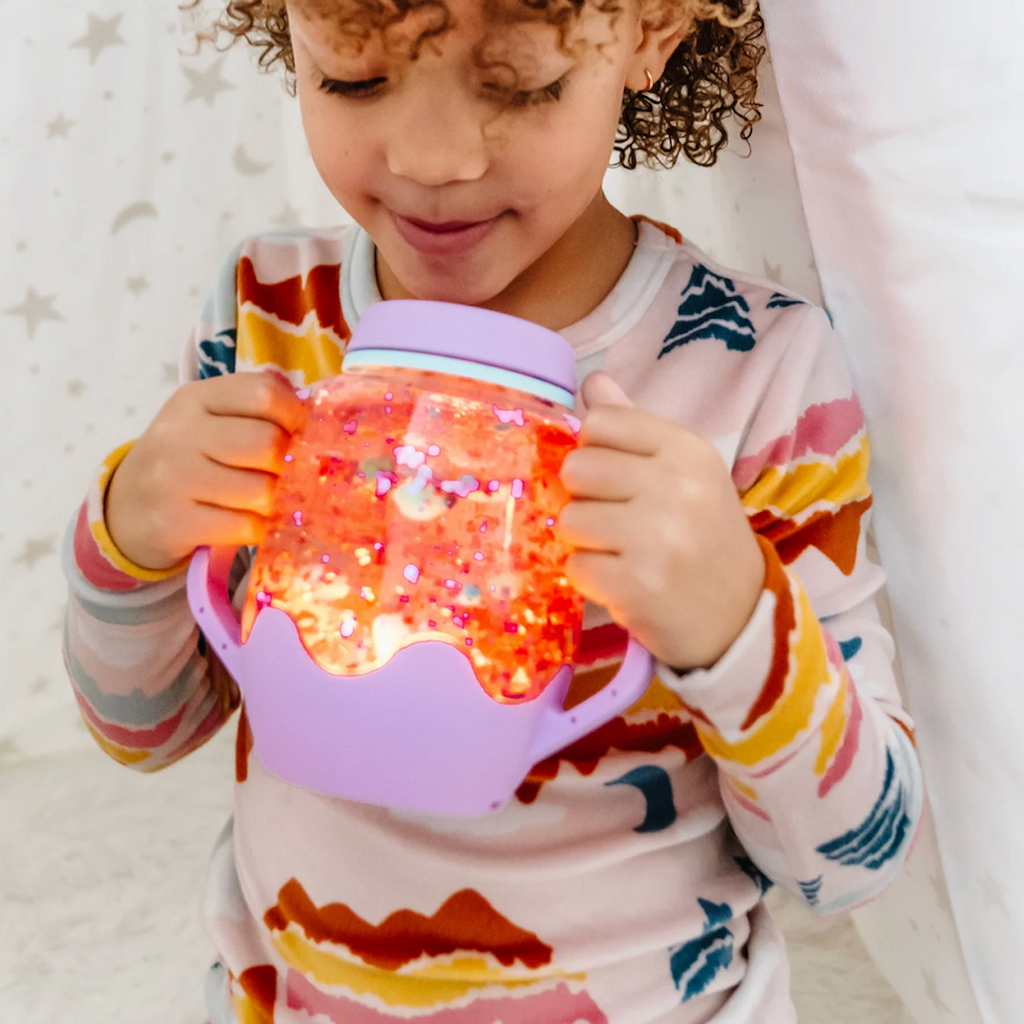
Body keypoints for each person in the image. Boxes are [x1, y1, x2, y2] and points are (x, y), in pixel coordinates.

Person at [60, 0, 924, 1020]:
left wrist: (737, 621)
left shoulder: (757, 374)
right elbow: (143, 729)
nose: (435, 159)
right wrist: (129, 527)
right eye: (352, 77)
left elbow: (848, 858)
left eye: (518, 86)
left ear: (649, 31)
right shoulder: (268, 311)